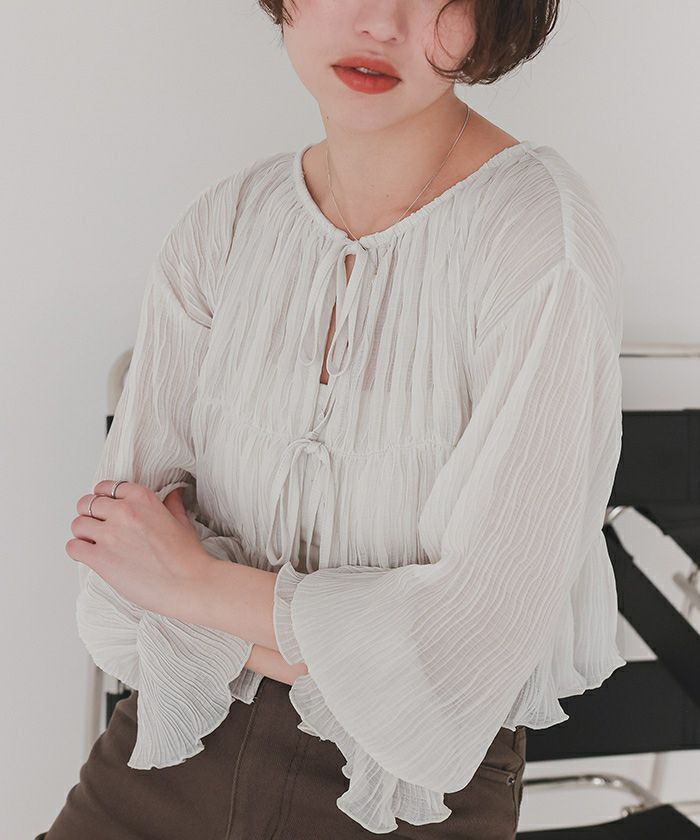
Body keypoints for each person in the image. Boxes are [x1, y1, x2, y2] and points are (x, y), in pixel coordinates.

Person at [38, 1, 627, 837]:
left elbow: (460, 662)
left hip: (405, 793)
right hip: (173, 738)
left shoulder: (538, 246)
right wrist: (362, 647)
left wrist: (196, 585)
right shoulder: (226, 224)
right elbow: (121, 584)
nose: (379, 23)